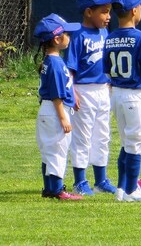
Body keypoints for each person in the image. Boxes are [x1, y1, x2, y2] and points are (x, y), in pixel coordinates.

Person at [103, 0, 141, 202]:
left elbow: (107, 72)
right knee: (136, 142)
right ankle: (131, 190)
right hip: (136, 95)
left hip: (116, 93)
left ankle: (121, 188)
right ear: (135, 10)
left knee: (126, 142)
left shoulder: (109, 38)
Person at [64, 0, 117, 196]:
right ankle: (80, 180)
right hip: (83, 91)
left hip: (103, 89)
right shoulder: (78, 34)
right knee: (83, 136)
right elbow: (70, 68)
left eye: (109, 11)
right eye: (103, 11)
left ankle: (101, 179)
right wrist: (72, 92)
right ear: (88, 12)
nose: (108, 16)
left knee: (102, 135)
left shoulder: (105, 32)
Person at [34, 13, 83, 200]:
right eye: (66, 34)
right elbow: (56, 93)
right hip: (55, 112)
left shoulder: (50, 60)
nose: (69, 38)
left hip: (47, 112)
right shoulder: (55, 62)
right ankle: (57, 190)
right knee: (57, 150)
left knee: (49, 151)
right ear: (56, 38)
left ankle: (49, 188)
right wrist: (63, 117)